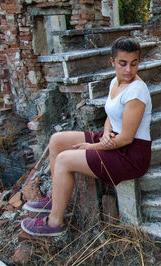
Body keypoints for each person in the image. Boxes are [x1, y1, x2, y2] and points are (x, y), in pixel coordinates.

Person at [20, 37, 152, 236]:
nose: (129, 70)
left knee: (64, 160)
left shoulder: (137, 91)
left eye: (134, 64)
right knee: (57, 140)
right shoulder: (116, 82)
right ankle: (56, 199)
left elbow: (126, 139)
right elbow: (111, 115)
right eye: (123, 63)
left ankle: (54, 223)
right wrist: (106, 133)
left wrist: (91, 147)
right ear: (112, 62)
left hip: (131, 154)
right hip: (113, 138)